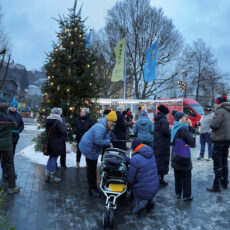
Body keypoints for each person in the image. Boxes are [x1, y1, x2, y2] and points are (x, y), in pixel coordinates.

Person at [79, 111, 117, 197]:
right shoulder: (101, 127)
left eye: (115, 122)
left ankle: (94, 187)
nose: (114, 123)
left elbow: (105, 135)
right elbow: (98, 141)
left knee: (92, 168)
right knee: (91, 169)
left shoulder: (106, 126)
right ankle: (91, 189)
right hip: (89, 148)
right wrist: (109, 141)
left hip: (91, 146)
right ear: (108, 120)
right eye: (112, 121)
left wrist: (110, 136)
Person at [127, 138, 159, 214]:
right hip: (155, 188)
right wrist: (131, 161)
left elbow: (130, 179)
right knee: (148, 177)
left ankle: (138, 203)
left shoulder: (135, 159)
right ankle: (150, 200)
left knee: (132, 183)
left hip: (143, 191)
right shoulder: (151, 153)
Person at [207, 96, 230, 192]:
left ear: (219, 103)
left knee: (217, 162)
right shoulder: (228, 111)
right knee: (224, 161)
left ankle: (217, 186)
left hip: (219, 140)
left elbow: (213, 125)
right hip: (227, 140)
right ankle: (224, 182)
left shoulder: (220, 111)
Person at [171, 110, 195, 201]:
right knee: (186, 176)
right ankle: (187, 195)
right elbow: (191, 142)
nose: (187, 118)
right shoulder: (184, 128)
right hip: (183, 155)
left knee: (177, 175)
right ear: (181, 119)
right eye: (185, 117)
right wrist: (190, 127)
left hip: (175, 154)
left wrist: (189, 126)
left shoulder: (175, 126)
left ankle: (178, 193)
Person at [0, 103, 20, 193]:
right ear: (6, 110)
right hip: (7, 146)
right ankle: (12, 187)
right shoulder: (9, 119)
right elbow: (15, 126)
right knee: (10, 165)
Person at [2, 100, 24, 178]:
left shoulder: (19, 115)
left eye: (15, 106)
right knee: (5, 156)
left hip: (14, 139)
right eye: (12, 106)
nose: (14, 107)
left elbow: (21, 125)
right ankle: (4, 171)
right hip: (7, 139)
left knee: (11, 156)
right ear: (9, 107)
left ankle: (9, 171)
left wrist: (18, 131)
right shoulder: (6, 115)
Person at [45, 108, 67, 182]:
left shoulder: (48, 120)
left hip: (50, 142)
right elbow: (62, 131)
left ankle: (47, 174)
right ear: (57, 113)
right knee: (54, 158)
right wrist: (65, 126)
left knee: (50, 158)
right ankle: (52, 176)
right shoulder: (58, 121)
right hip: (56, 143)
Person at [154, 105, 170, 186]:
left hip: (157, 142)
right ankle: (161, 179)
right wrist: (171, 132)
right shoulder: (164, 121)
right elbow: (165, 131)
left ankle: (157, 178)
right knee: (162, 161)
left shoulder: (157, 119)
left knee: (158, 161)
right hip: (163, 144)